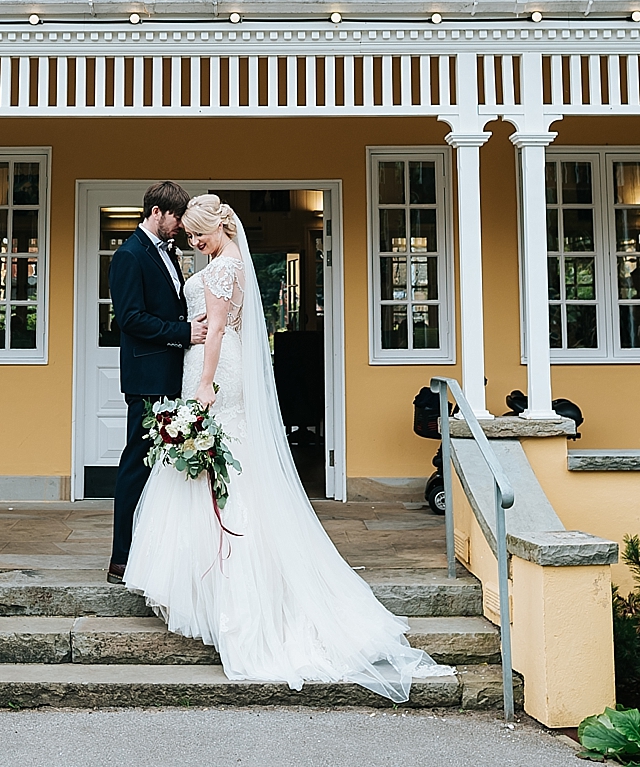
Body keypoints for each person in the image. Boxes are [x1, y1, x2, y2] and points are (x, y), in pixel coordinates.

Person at [122, 194, 448, 701]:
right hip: (215, 365)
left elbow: (212, 338)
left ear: (217, 228)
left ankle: (225, 592)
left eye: (197, 235)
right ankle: (208, 588)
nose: (192, 243)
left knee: (219, 470)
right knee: (220, 467)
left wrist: (204, 384)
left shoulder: (221, 271)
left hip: (212, 371)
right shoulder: (229, 265)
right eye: (187, 237)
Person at [106, 180, 207, 584]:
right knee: (137, 463)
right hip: (147, 379)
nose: (181, 225)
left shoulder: (168, 252)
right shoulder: (129, 256)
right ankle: (121, 558)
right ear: (156, 212)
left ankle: (155, 552)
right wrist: (183, 332)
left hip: (170, 375)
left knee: (163, 467)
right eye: (177, 217)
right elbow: (129, 318)